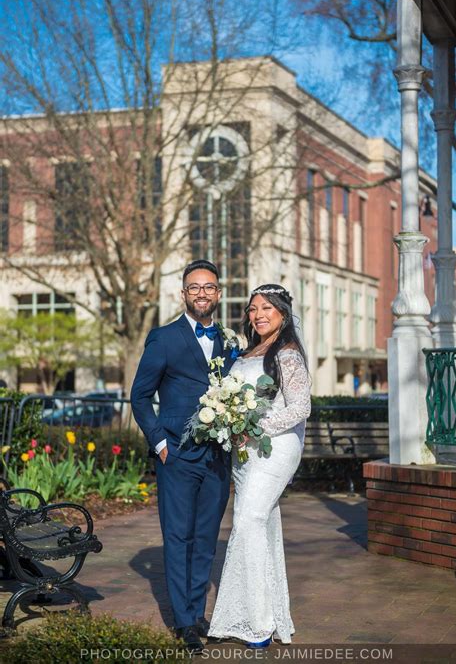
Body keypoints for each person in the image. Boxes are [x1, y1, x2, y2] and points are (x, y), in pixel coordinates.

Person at [131, 259, 235, 653]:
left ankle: (196, 609)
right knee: (178, 536)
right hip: (176, 454)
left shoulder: (229, 341)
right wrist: (160, 444)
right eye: (195, 287)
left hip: (217, 457)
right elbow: (140, 397)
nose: (202, 293)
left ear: (219, 293)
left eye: (209, 287)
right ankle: (183, 621)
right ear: (184, 293)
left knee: (206, 539)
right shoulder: (164, 337)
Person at [208, 284, 311, 648]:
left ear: (283, 312)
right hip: (243, 451)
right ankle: (268, 614)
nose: (258, 315)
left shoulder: (287, 353)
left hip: (275, 448)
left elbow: (300, 408)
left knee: (248, 520)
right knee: (261, 525)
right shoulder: (249, 350)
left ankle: (260, 624)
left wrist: (254, 428)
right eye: (253, 309)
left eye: (266, 308)